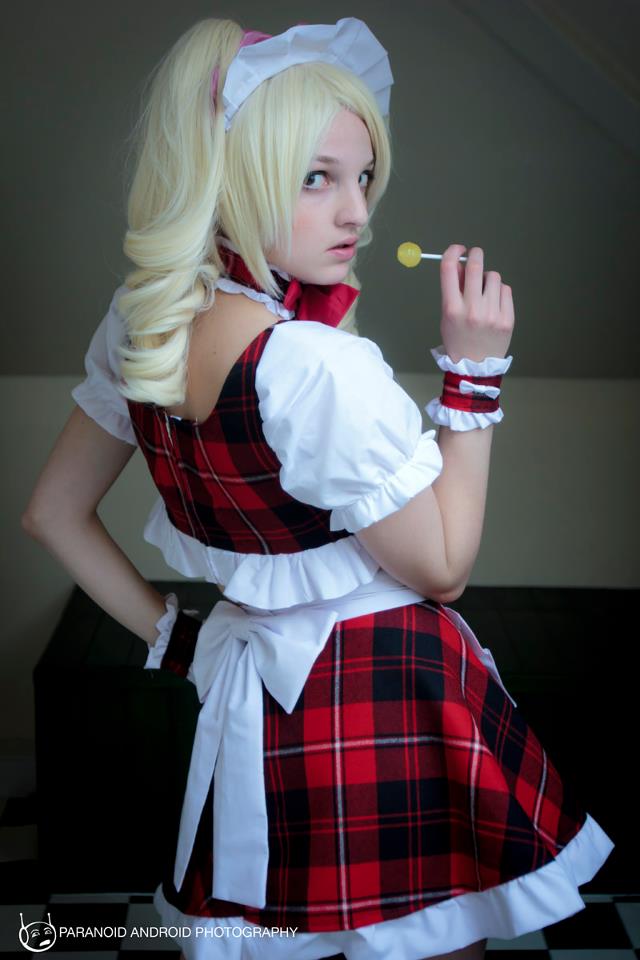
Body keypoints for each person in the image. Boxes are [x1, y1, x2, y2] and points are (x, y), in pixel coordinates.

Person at [22, 16, 614, 960]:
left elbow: (51, 513)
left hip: (252, 702)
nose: (356, 215)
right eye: (315, 178)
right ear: (235, 176)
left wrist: (178, 643)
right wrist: (474, 377)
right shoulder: (313, 365)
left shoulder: (139, 323)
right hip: (393, 700)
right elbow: (446, 568)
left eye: (363, 177)